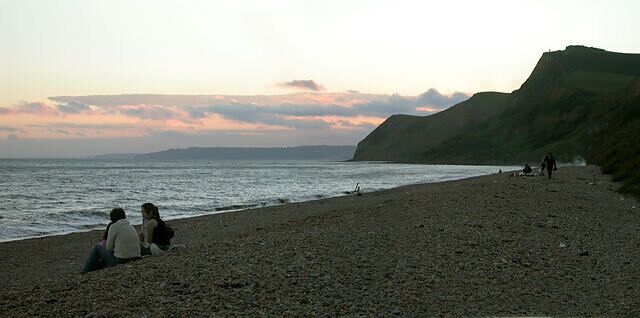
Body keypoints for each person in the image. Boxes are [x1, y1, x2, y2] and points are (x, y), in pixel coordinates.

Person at [83, 208, 141, 273]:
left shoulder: (114, 226)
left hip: (121, 260)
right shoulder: (131, 227)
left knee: (97, 248)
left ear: (113, 218)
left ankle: (86, 270)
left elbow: (108, 248)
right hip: (136, 258)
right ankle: (96, 268)